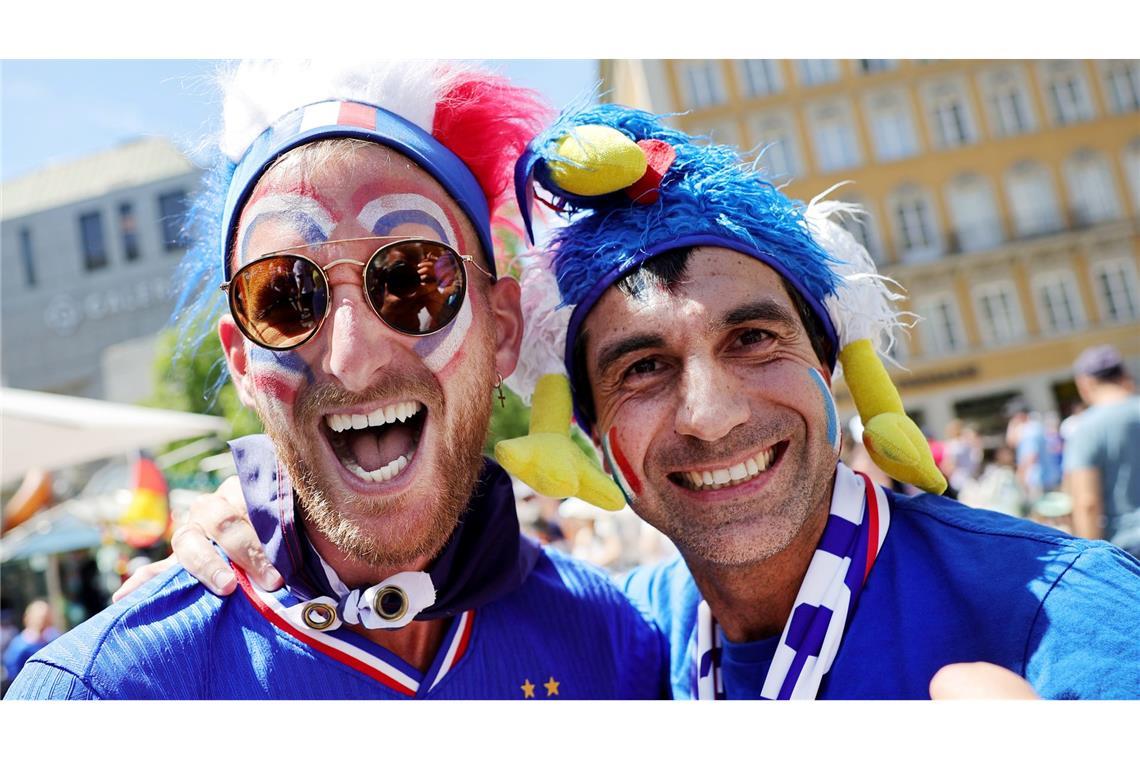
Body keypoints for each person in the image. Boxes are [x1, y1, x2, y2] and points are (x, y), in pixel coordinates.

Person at [120, 104, 1140, 699]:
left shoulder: (1068, 620)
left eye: (753, 337)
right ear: (599, 441)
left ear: (832, 370)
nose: (709, 413)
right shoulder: (633, 637)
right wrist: (254, 517)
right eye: (643, 368)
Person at [5, 61, 666, 700]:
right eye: (285, 298)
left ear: (503, 329)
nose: (353, 358)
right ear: (241, 363)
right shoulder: (107, 695)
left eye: (412, 280)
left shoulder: (615, 641)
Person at [1065, 345, 1140, 557]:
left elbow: (1087, 503)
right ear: (1123, 374)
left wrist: (1091, 560)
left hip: (1128, 546)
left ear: (1085, 383)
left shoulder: (1085, 428)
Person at [2, 601, 57, 688]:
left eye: (47, 617)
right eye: (41, 618)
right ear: (28, 618)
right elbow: (13, 678)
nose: (44, 621)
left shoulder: (52, 640)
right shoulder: (18, 647)